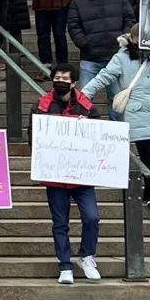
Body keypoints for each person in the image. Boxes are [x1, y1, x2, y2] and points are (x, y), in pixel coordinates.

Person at [81, 26, 150, 205]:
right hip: (137, 111)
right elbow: (105, 76)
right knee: (147, 155)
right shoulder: (121, 57)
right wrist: (84, 93)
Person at [31, 64, 102, 284]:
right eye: (56, 77)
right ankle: (65, 265)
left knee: (92, 217)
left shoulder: (87, 107)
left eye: (64, 78)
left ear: (74, 83)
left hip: (81, 175)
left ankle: (87, 256)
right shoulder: (41, 105)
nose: (59, 81)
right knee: (59, 222)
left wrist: (87, 127)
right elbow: (33, 138)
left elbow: (99, 137)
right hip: (55, 175)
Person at [68, 0, 135, 107]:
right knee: (83, 99)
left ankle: (117, 129)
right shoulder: (77, 1)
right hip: (89, 58)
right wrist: (84, 43)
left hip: (116, 57)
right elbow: (73, 26)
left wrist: (123, 40)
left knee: (116, 100)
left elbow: (130, 19)